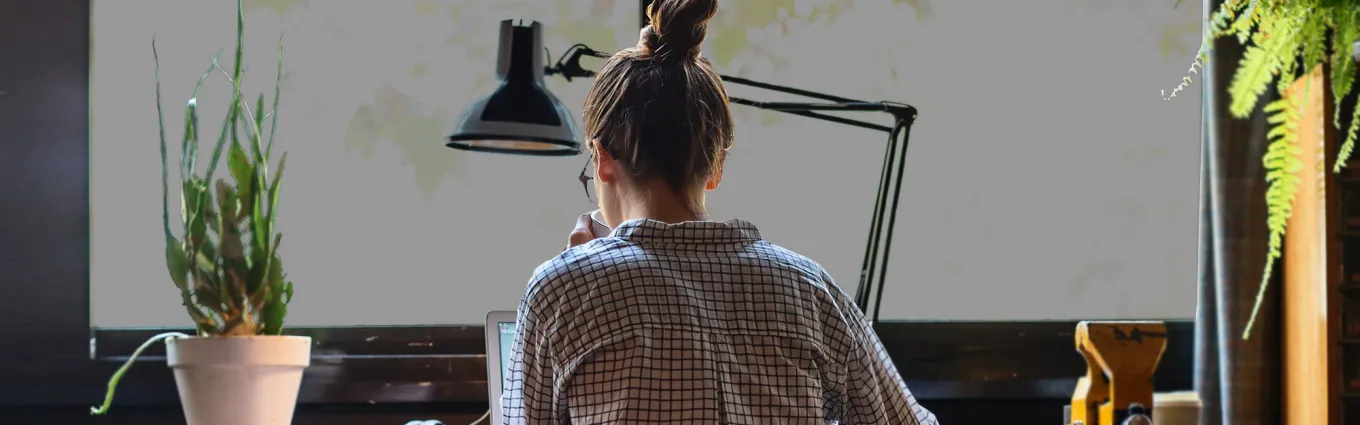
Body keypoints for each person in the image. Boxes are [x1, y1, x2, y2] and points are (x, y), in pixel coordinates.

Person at [500, 0, 938, 423]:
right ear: (715, 166)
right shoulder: (811, 289)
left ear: (602, 160)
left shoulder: (561, 291)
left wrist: (579, 272)